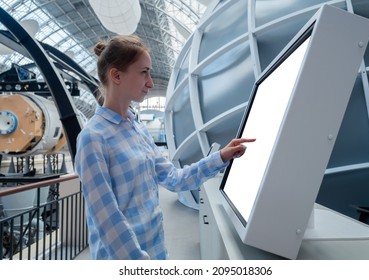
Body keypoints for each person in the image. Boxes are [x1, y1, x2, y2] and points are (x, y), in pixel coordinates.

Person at [74, 35, 255, 260]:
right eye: (144, 72)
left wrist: (220, 157)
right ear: (116, 75)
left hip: (156, 252)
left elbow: (174, 179)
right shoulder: (93, 138)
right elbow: (107, 221)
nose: (150, 82)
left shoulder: (137, 128)